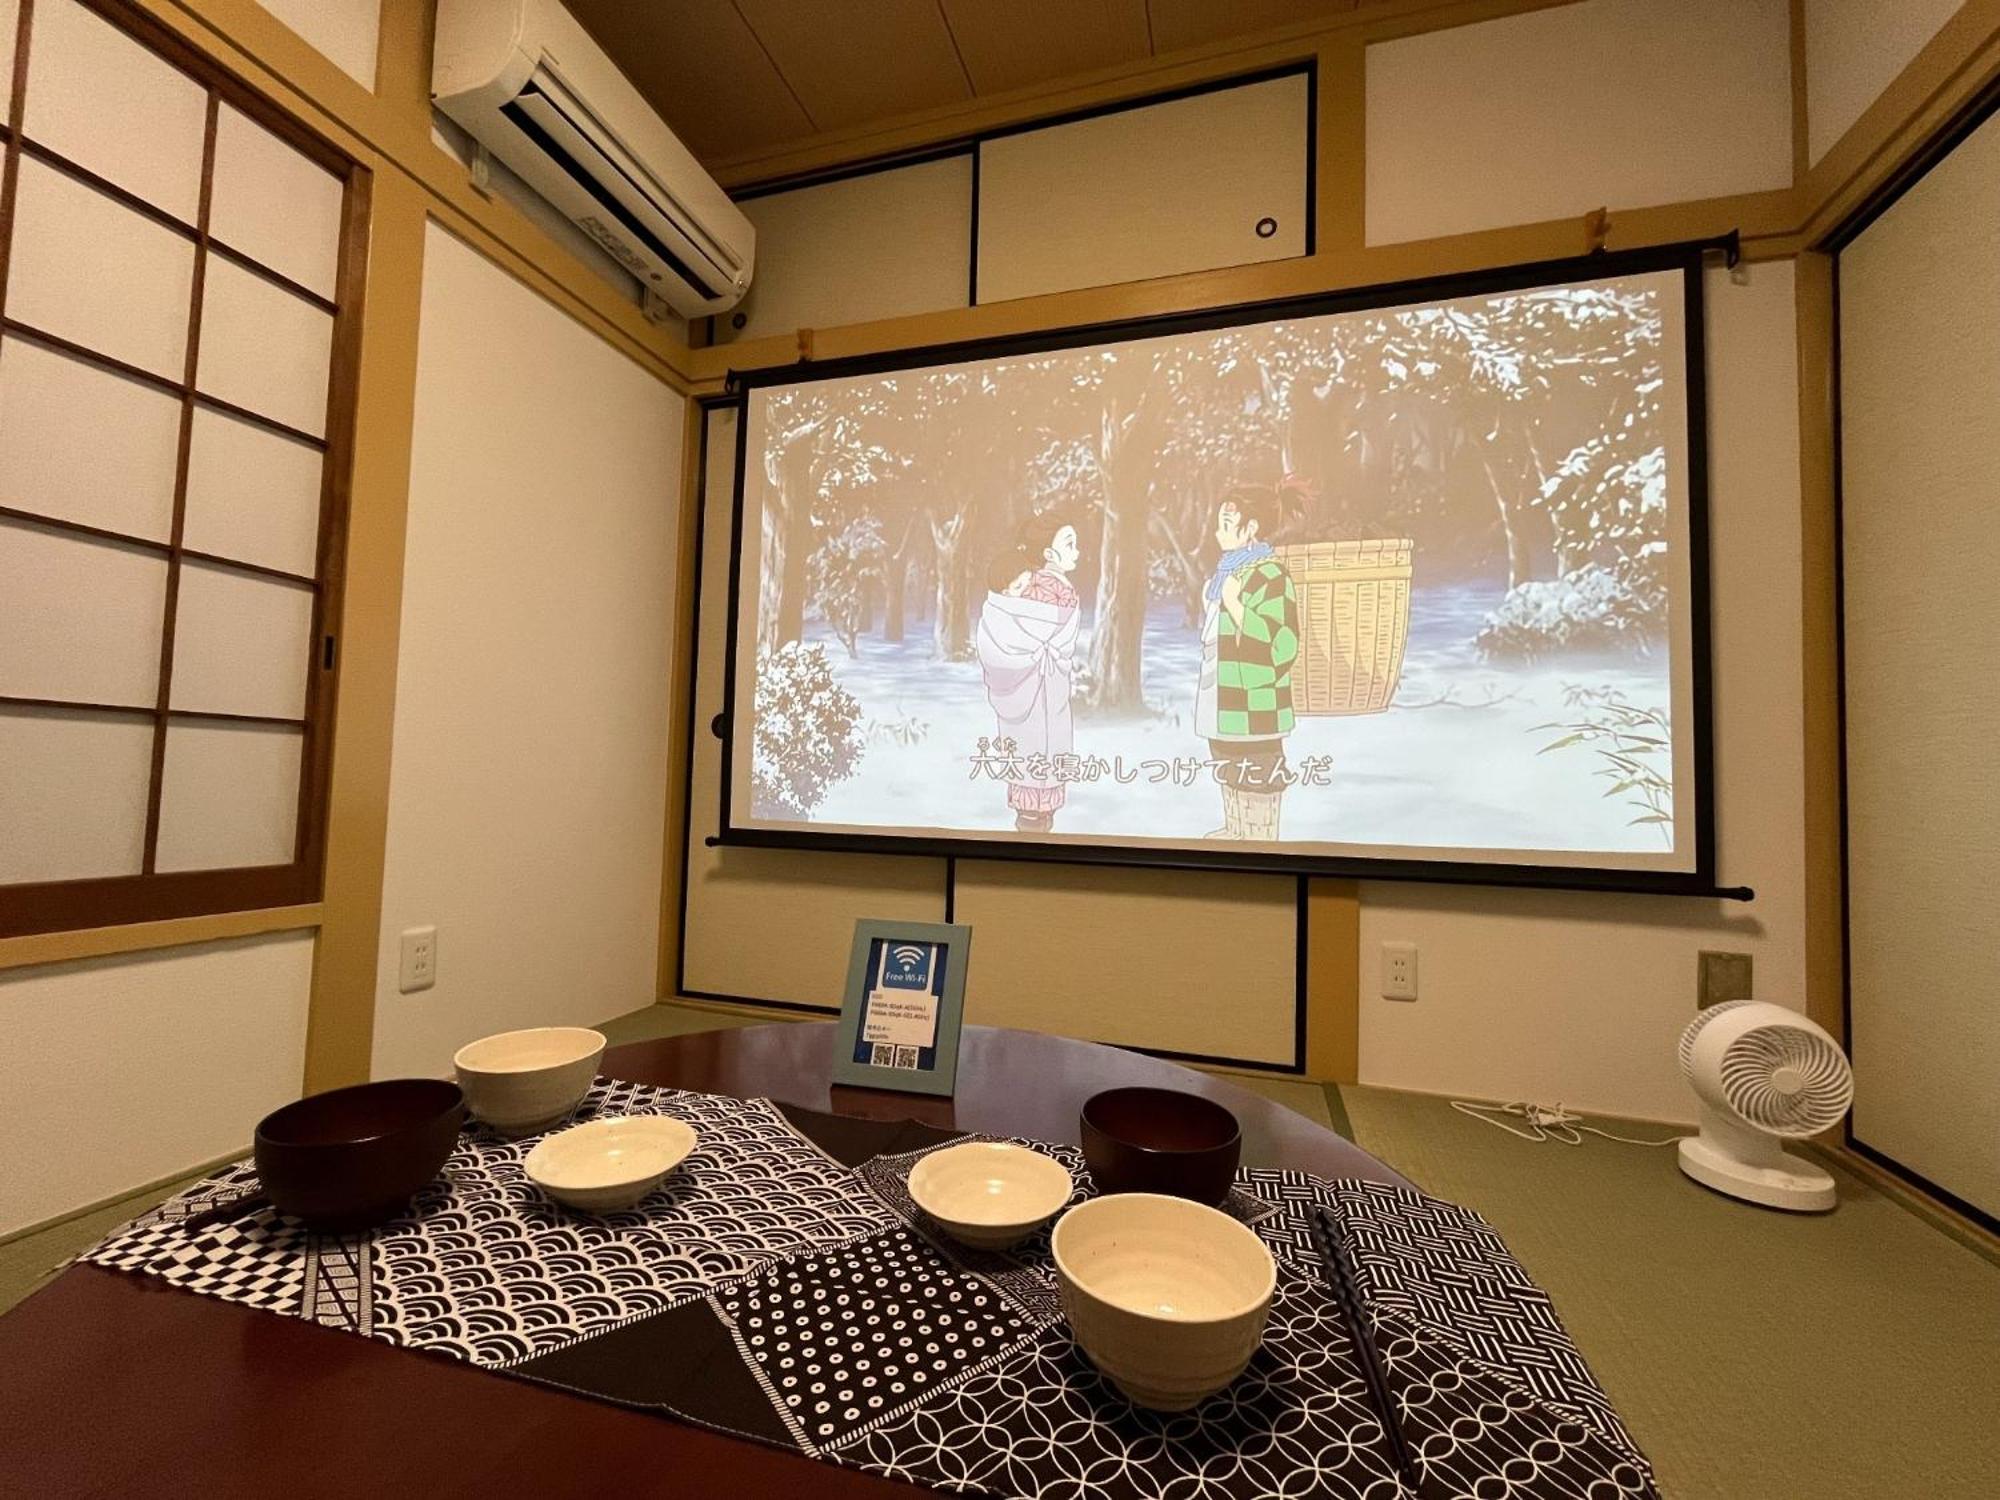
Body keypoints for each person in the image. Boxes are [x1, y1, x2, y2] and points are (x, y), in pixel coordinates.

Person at [1197, 480, 1305, 840]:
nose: (1218, 531)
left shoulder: (1270, 575)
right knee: (1228, 766)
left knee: (1258, 775)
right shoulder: (1228, 572)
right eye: (1219, 522)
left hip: (1253, 704)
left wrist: (1238, 605)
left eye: (1228, 522)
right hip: (1222, 695)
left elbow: (1282, 646)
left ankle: (1258, 843)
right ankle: (1236, 832)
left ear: (1252, 528)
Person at [975, 511, 1082, 833]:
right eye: (1070, 543)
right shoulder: (1051, 590)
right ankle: (1038, 823)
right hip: (1039, 687)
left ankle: (1031, 820)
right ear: (1048, 553)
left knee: (1030, 755)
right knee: (1039, 751)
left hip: (1038, 686)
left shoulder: (1037, 584)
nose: (1078, 551)